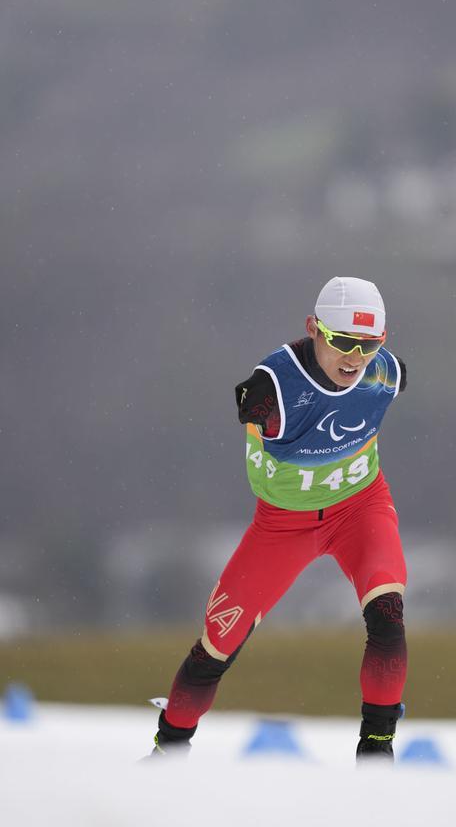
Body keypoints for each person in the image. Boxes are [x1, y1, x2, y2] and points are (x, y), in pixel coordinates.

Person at [147, 276, 408, 761]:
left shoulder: (386, 373)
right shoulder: (271, 388)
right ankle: (168, 751)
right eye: (342, 341)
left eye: (368, 344)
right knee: (214, 649)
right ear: (313, 328)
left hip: (360, 508)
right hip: (283, 526)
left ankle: (377, 753)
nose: (355, 358)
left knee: (388, 618)